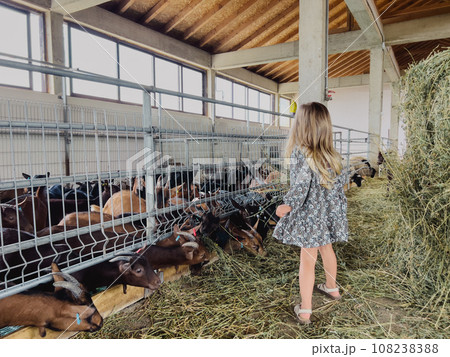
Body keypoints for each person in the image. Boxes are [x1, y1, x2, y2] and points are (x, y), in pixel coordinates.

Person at [273, 102, 348, 325]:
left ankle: (305, 310)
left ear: (302, 126)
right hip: (328, 215)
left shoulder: (301, 153)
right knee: (327, 249)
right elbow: (341, 183)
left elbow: (301, 186)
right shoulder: (334, 156)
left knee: (307, 259)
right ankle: (332, 288)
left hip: (311, 218)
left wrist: (287, 205)